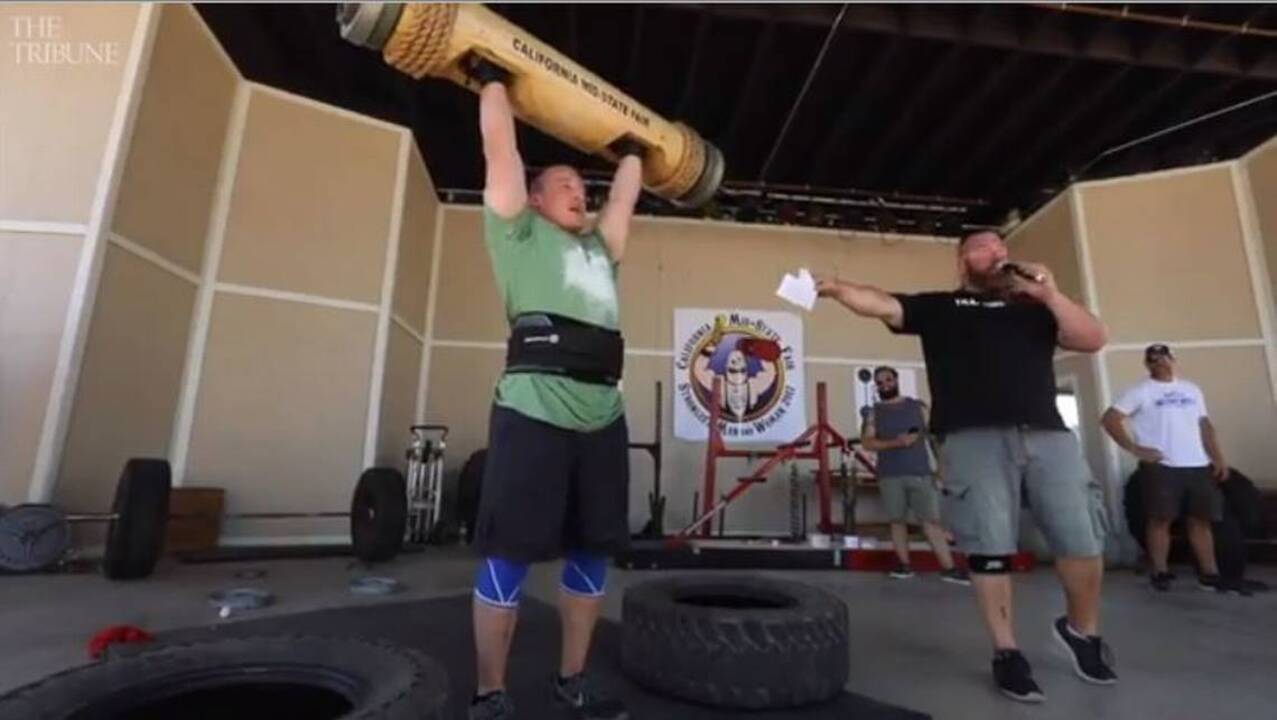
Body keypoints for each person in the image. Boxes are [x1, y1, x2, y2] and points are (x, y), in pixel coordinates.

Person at [816, 230, 1115, 703]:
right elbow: (883, 304)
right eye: (983, 246)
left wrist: (1050, 293)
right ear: (962, 261)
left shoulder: (1036, 310)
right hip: (971, 439)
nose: (997, 252)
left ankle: (1083, 634)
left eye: (1001, 246)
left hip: (1047, 435)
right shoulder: (942, 309)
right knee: (988, 545)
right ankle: (1007, 652)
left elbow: (1094, 338)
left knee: (1082, 539)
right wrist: (836, 287)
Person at [468, 61, 641, 720]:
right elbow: (500, 149)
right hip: (532, 411)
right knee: (509, 556)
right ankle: (490, 692)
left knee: (593, 552)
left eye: (580, 183)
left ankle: (572, 678)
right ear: (536, 199)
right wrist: (492, 81)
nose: (577, 190)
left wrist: (635, 146)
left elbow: (625, 192)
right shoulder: (516, 230)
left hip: (602, 413)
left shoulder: (601, 249)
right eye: (562, 183)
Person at [1101, 344, 1228, 593]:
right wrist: (1135, 448)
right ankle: (1160, 570)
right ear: (1147, 365)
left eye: (1164, 358)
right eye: (1153, 360)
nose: (1160, 363)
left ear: (1173, 359)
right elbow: (1110, 419)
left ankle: (1210, 573)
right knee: (1161, 519)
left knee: (1200, 520)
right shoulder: (1141, 391)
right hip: (1163, 466)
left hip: (1198, 463)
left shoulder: (1192, 389)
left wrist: (1218, 457)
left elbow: (1204, 425)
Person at [859, 365, 969, 585]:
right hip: (890, 475)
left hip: (920, 473)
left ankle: (949, 568)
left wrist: (942, 468)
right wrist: (896, 442)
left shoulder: (918, 407)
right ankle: (904, 565)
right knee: (897, 521)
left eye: (888, 380)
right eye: (880, 383)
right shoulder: (874, 413)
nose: (885, 385)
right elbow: (867, 442)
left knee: (931, 521)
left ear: (896, 379)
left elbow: (934, 439)